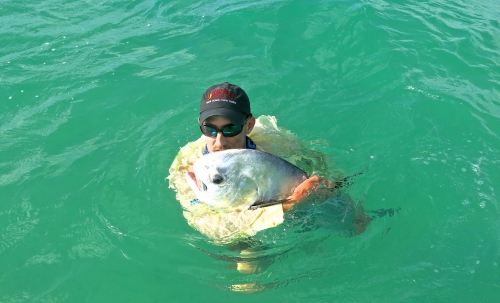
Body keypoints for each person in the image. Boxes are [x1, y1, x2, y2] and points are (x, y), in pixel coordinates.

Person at [168, 82, 370, 245]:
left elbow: (316, 157)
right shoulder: (187, 164)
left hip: (284, 201)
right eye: (210, 130)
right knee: (249, 270)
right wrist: (291, 203)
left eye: (230, 130)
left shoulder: (270, 138)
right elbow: (213, 228)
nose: (219, 142)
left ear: (249, 125)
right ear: (200, 125)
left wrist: (330, 182)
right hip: (242, 223)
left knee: (359, 227)